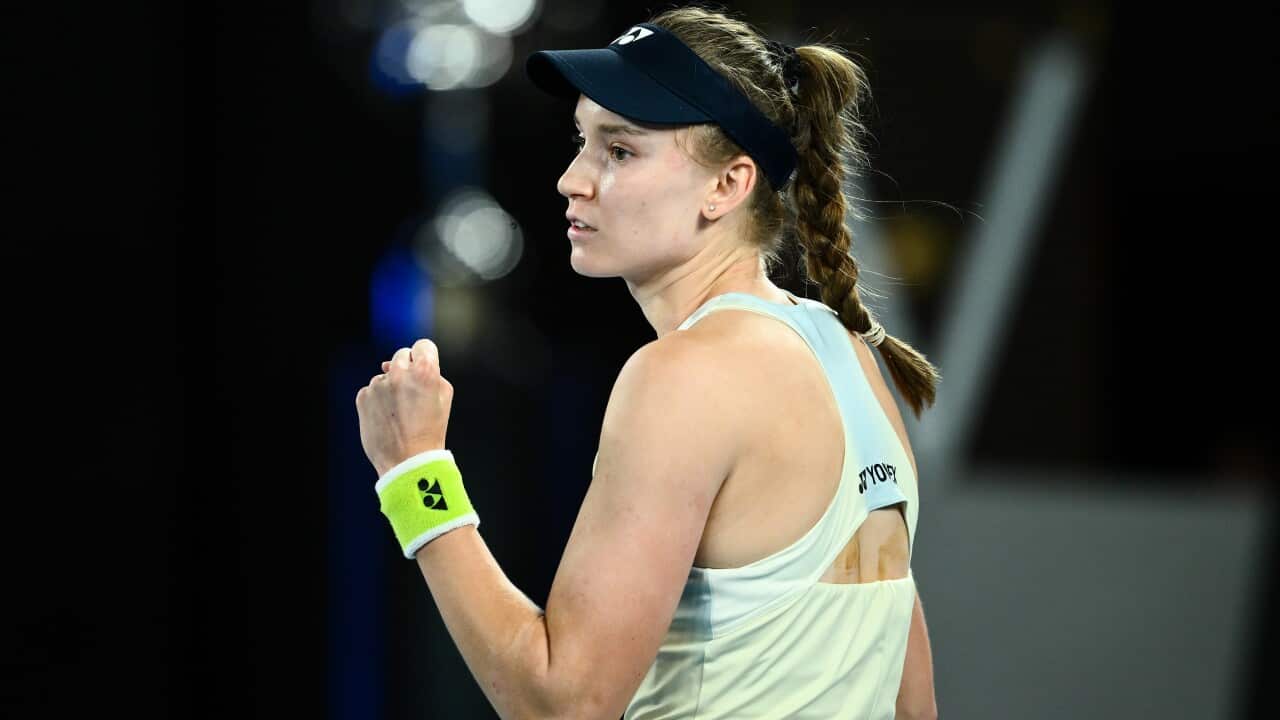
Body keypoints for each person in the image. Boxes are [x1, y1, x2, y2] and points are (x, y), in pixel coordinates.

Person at [357, 5, 940, 719]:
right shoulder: (845, 352)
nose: (573, 179)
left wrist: (414, 473)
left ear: (727, 186)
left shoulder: (686, 377)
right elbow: (914, 706)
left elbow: (563, 705)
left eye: (620, 151)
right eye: (582, 141)